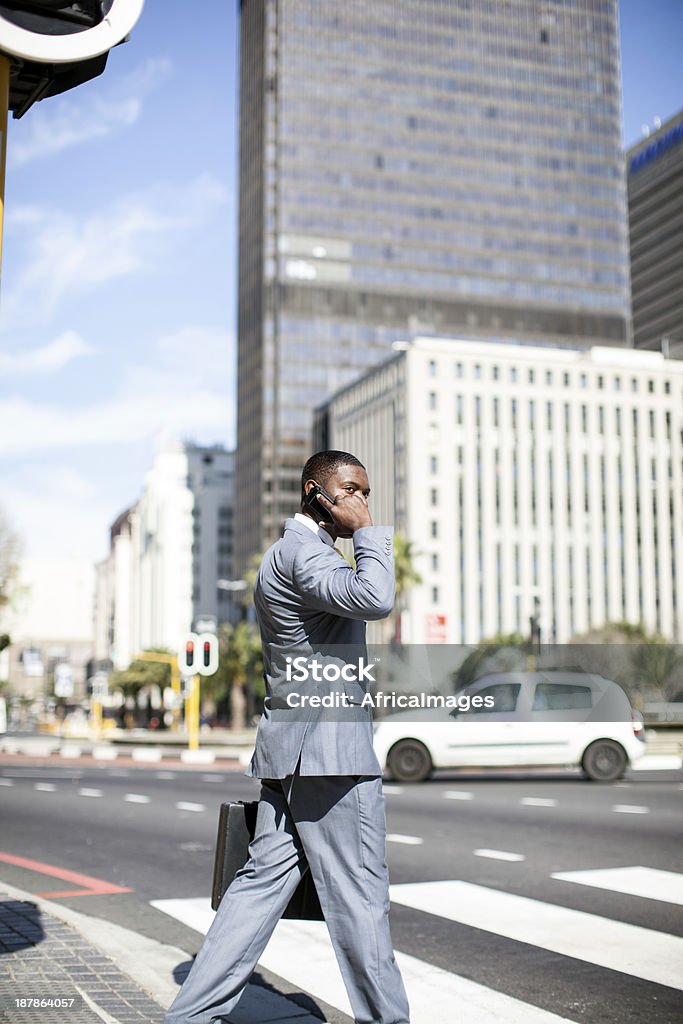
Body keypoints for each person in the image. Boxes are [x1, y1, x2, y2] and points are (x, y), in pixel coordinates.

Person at [165, 450, 410, 1024]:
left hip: (292, 756)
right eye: (350, 490)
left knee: (255, 893)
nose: (361, 503)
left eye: (367, 493)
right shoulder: (305, 557)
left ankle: (189, 1017)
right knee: (361, 900)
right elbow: (375, 599)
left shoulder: (291, 554)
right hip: (330, 760)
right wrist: (369, 534)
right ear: (314, 493)